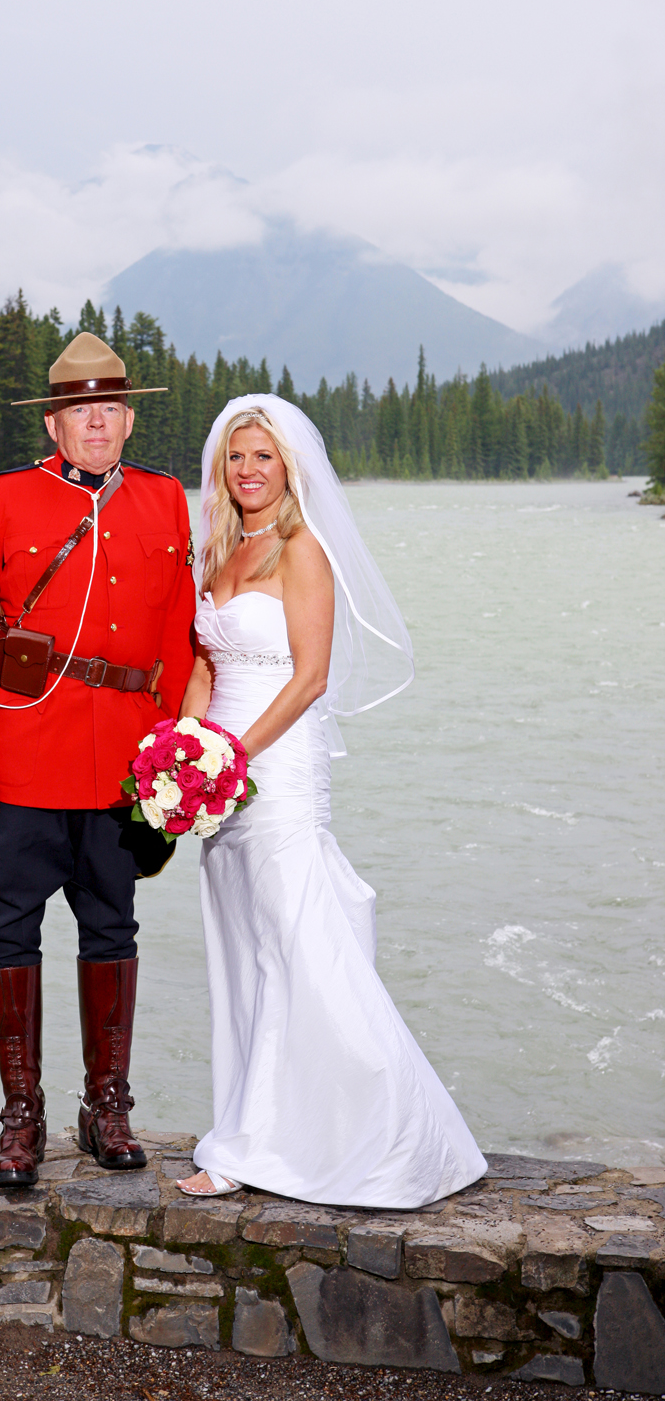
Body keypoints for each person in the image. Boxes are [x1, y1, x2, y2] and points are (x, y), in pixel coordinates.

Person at [176, 395, 487, 1205]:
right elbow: (204, 664)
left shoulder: (301, 550)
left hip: (274, 766)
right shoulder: (215, 551)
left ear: (290, 468)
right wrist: (182, 749)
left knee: (297, 943)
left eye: (262, 457)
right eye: (236, 457)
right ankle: (255, 1131)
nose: (247, 470)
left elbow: (310, 678)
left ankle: (374, 1136)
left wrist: (234, 755)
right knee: (243, 950)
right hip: (216, 774)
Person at [0, 331, 197, 1188]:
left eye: (111, 410)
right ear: (55, 424)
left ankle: (105, 1106)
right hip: (20, 756)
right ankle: (21, 1118)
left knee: (112, 927)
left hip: (122, 764)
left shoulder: (165, 502)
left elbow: (177, 643)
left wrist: (167, 765)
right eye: (82, 412)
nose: (98, 425)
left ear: (127, 421)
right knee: (11, 928)